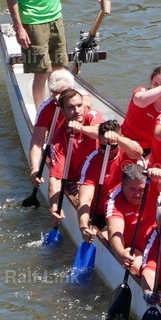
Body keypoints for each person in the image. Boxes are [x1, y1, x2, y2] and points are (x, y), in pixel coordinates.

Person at [77, 119, 144, 242]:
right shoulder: (92, 162)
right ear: (98, 141)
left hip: (132, 204)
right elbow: (85, 199)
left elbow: (138, 153)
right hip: (101, 212)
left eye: (113, 146)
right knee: (109, 236)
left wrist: (117, 139)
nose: (107, 150)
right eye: (103, 146)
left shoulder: (128, 147)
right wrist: (83, 226)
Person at [105, 163, 161, 271]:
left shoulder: (150, 183)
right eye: (132, 189)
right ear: (123, 185)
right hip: (132, 247)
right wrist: (120, 253)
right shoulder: (114, 200)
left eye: (141, 189)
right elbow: (116, 231)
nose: (137, 194)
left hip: (152, 240)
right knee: (136, 267)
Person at [47, 88, 104, 226]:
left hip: (99, 174)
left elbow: (99, 132)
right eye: (71, 107)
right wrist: (54, 206)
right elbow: (56, 178)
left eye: (79, 105)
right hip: (76, 180)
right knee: (84, 199)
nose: (77, 111)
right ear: (63, 111)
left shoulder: (92, 115)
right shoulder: (59, 138)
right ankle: (90, 226)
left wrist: (81, 128)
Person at [27, 68, 76, 187]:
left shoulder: (82, 103)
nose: (57, 98)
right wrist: (34, 169)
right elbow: (37, 143)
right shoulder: (46, 109)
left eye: (62, 93)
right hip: (57, 146)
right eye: (54, 92)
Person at [120, 67, 161, 153]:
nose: (158, 88)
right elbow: (142, 100)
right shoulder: (141, 93)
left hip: (150, 150)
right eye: (155, 84)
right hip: (126, 141)